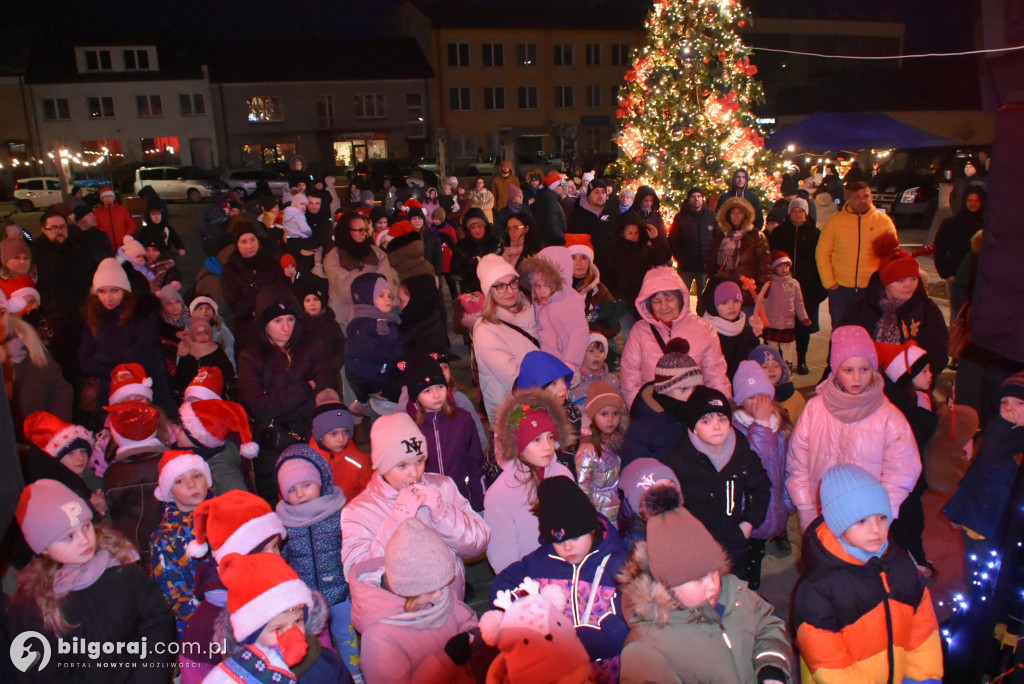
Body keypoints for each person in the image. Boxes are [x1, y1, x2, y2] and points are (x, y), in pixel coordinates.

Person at [8, 480, 176, 682]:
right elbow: (41, 669)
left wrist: (149, 676)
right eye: (69, 537)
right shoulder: (32, 605)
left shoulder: (121, 565)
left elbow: (157, 618)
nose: (84, 540)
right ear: (43, 548)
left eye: (86, 526)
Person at [793, 465, 943, 683]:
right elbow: (828, 663)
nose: (876, 529)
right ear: (838, 524)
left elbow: (922, 629)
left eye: (881, 517)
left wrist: (922, 677)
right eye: (861, 521)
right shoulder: (817, 587)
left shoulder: (902, 566)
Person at [618, 505, 792, 683]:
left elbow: (767, 624)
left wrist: (771, 669)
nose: (712, 585)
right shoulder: (646, 652)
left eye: (713, 570)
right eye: (698, 579)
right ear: (666, 586)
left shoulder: (733, 591)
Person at [491, 476, 629, 681]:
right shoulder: (541, 562)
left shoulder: (619, 564)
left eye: (575, 537)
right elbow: (503, 583)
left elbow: (625, 627)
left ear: (592, 528)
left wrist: (571, 641)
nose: (567, 547)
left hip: (610, 673)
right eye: (559, 541)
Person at [340, 412, 490, 598]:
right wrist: (397, 521)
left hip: (450, 601)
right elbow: (358, 576)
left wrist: (443, 513)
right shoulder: (358, 511)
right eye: (402, 465)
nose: (414, 473)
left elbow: (478, 543)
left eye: (419, 461)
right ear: (382, 466)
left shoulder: (442, 486)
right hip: (400, 611)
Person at [786, 326, 922, 531]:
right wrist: (805, 505)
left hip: (865, 518)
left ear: (873, 369)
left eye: (864, 369)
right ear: (836, 370)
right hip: (820, 513)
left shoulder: (889, 417)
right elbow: (798, 461)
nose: (857, 378)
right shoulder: (815, 409)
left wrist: (883, 511)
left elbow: (903, 469)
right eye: (848, 370)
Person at [349, 518, 481, 684]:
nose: (440, 594)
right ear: (409, 590)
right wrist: (445, 662)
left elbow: (463, 619)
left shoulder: (437, 593)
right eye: (431, 590)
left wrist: (475, 634)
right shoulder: (379, 637)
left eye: (443, 585)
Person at [661, 385, 771, 580]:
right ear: (693, 427)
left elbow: (761, 487)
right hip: (694, 546)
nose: (717, 426)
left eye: (722, 419)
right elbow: (666, 505)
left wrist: (748, 523)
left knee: (734, 589)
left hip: (733, 543)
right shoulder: (677, 460)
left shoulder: (742, 454)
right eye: (707, 420)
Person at [179, 491, 288, 682]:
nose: (274, 557)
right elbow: (196, 673)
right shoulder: (207, 621)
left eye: (275, 546)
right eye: (263, 551)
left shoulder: (285, 588)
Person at [237, 287, 330, 502]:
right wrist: (305, 387)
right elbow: (258, 406)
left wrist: (278, 402)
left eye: (290, 319)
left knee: (317, 492)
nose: (286, 327)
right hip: (272, 442)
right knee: (278, 498)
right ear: (264, 323)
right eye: (277, 321)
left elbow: (325, 389)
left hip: (310, 433)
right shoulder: (251, 356)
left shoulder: (311, 346)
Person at [274, 443, 358, 677]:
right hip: (308, 600)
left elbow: (351, 547)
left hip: (341, 593)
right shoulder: (283, 522)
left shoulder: (339, 512)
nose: (300, 494)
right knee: (319, 643)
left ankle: (355, 673)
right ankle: (329, 675)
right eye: (292, 490)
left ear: (321, 482)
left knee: (347, 635)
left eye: (306, 485)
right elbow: (282, 560)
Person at [204, 552, 346, 684]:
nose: (293, 633)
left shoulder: (324, 664)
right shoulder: (236, 676)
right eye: (278, 628)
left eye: (298, 621)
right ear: (251, 637)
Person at [943, 372, 1024, 582]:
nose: (1009, 409)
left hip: (999, 524)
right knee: (979, 572)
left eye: (1020, 403)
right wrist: (958, 510)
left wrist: (1000, 429)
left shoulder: (1006, 436)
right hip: (979, 519)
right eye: (1004, 402)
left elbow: (996, 470)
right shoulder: (998, 433)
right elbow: (978, 473)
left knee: (995, 575)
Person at [484, 388, 576, 574]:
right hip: (530, 580)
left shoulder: (563, 475)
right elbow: (504, 560)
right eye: (536, 439)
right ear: (517, 445)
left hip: (568, 571)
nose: (547, 447)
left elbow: (578, 526)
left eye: (550, 437)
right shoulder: (499, 495)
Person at [620, 266, 730, 408]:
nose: (664, 306)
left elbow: (716, 377)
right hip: (653, 410)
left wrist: (720, 409)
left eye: (669, 298)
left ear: (680, 298)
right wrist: (642, 410)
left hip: (693, 409)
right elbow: (629, 379)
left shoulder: (704, 330)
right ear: (648, 304)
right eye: (657, 301)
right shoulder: (639, 332)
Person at [841, 234, 950, 378]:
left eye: (913, 279)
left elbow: (939, 353)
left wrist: (914, 375)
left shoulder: (928, 310)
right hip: (861, 383)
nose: (909, 285)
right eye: (901, 281)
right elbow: (841, 349)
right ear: (885, 282)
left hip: (911, 385)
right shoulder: (860, 309)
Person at [875, 341, 940, 576]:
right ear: (906, 376)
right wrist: (926, 414)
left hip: (912, 477)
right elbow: (915, 437)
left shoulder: (919, 398)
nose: (930, 375)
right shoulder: (900, 406)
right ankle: (910, 560)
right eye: (924, 371)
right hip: (901, 478)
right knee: (907, 521)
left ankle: (914, 556)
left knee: (913, 519)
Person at [79, 257, 175, 416]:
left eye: (114, 290)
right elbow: (85, 359)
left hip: (146, 390)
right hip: (111, 393)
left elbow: (141, 355)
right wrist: (115, 371)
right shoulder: (93, 316)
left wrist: (104, 358)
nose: (108, 298)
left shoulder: (142, 314)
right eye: (102, 291)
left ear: (124, 289)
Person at [731, 361, 795, 587]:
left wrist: (788, 501)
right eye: (751, 398)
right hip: (747, 510)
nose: (759, 403)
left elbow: (790, 466)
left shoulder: (781, 425)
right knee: (747, 558)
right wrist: (760, 424)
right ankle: (748, 593)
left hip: (774, 504)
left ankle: (753, 590)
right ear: (740, 401)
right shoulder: (736, 429)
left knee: (757, 554)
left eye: (763, 396)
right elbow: (752, 460)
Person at [405, 355, 486, 511]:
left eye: (440, 387)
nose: (436, 395)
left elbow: (475, 462)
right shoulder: (408, 428)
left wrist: (477, 503)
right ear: (415, 396)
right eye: (427, 390)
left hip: (463, 501)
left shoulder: (463, 420)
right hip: (425, 507)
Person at [816, 181, 898, 327]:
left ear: (871, 197)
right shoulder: (835, 221)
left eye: (866, 196)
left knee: (871, 331)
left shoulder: (883, 222)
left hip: (872, 289)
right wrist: (829, 282)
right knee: (841, 331)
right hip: (841, 290)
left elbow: (893, 255)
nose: (862, 200)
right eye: (857, 197)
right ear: (849, 199)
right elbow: (822, 252)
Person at [149, 449, 213, 637]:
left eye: (197, 476)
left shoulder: (227, 513)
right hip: (201, 629)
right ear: (169, 491)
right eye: (180, 481)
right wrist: (208, 624)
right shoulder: (164, 536)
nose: (192, 484)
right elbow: (173, 593)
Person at [472, 254, 540, 423]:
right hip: (512, 411)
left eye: (512, 282)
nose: (510, 291)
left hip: (540, 398)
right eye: (500, 286)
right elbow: (514, 377)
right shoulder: (486, 329)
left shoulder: (531, 310)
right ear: (489, 291)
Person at [32, 210, 98, 381]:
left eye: (62, 227)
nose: (59, 231)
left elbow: (93, 272)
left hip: (81, 311)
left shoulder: (79, 246)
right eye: (53, 228)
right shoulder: (37, 253)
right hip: (55, 316)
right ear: (43, 230)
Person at [102, 400, 169, 564]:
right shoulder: (170, 464)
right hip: (169, 548)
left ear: (116, 435)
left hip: (131, 552)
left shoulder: (113, 474)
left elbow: (111, 515)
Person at [768, 197, 826, 374]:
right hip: (780, 286)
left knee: (803, 326)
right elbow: (770, 256)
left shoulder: (816, 234)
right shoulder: (779, 233)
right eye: (794, 211)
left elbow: (822, 261)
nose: (798, 214)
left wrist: (820, 289)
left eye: (801, 211)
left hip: (807, 287)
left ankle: (802, 359)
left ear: (806, 214)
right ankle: (777, 360)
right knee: (779, 325)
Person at [598, 210, 671, 344]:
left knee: (646, 337)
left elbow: (662, 258)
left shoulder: (645, 251)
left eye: (636, 233)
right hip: (622, 305)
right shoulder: (613, 252)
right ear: (622, 233)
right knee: (629, 337)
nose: (633, 236)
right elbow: (604, 276)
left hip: (642, 303)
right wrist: (613, 298)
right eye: (630, 233)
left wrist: (656, 238)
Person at [519, 246, 590, 373]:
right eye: (538, 285)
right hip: (547, 357)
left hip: (565, 360)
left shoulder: (569, 302)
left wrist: (571, 363)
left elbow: (580, 333)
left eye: (548, 286)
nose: (542, 291)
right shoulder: (539, 302)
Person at [220, 221, 290, 348]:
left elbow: (283, 289)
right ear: (237, 245)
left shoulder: (271, 263)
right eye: (244, 242)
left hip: (275, 322)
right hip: (248, 328)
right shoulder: (230, 270)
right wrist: (259, 308)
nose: (249, 245)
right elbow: (233, 301)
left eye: (252, 240)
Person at [324, 212, 398, 329]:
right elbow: (344, 289)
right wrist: (372, 284)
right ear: (346, 231)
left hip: (375, 316)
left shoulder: (377, 253)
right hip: (345, 318)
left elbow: (385, 285)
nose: (365, 234)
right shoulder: (334, 256)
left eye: (365, 230)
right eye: (360, 230)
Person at [344, 272, 402, 408]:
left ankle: (362, 402)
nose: (387, 300)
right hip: (371, 378)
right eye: (381, 295)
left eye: (390, 296)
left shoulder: (383, 319)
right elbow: (375, 352)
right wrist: (402, 347)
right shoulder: (364, 325)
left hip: (377, 372)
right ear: (367, 298)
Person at [705, 197, 771, 309]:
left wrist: (762, 292)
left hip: (748, 294)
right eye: (733, 212)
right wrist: (716, 280)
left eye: (740, 212)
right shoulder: (720, 236)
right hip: (724, 293)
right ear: (727, 215)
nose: (736, 216)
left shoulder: (756, 236)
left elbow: (764, 267)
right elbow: (710, 262)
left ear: (746, 215)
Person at [575, 381, 626, 521]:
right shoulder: (587, 450)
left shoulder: (621, 441)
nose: (610, 419)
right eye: (604, 414)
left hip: (621, 513)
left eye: (615, 413)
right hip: (601, 516)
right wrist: (591, 519)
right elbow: (584, 488)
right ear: (593, 416)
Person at [565, 233, 622, 352]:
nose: (578, 263)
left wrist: (590, 328)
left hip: (592, 351)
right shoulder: (556, 288)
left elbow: (614, 325)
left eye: (584, 258)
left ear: (590, 261)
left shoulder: (600, 290)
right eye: (573, 258)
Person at [701, 275, 762, 379]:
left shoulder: (748, 333)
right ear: (713, 304)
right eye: (724, 302)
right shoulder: (704, 334)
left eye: (736, 301)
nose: (731, 307)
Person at [934, 183, 985, 301]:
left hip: (981, 278)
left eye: (977, 200)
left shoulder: (986, 224)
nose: (973, 203)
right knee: (958, 309)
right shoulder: (952, 223)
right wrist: (947, 274)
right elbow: (940, 250)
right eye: (970, 200)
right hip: (957, 276)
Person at [762, 251, 812, 368]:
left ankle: (787, 368)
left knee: (787, 348)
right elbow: (764, 303)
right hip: (772, 322)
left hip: (788, 323)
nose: (784, 269)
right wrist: (761, 319)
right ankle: (772, 367)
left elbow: (799, 302)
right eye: (780, 266)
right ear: (774, 267)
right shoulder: (769, 284)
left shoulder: (794, 284)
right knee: (772, 347)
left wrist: (803, 317)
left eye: (787, 266)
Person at [669, 187, 717, 293]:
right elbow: (673, 239)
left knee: (704, 297)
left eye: (699, 196)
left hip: (705, 267)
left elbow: (717, 238)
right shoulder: (680, 217)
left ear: (702, 198)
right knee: (683, 295)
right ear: (689, 199)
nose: (696, 199)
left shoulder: (711, 216)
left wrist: (712, 259)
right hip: (685, 267)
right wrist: (679, 257)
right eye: (693, 196)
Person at [566, 179, 620, 263]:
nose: (601, 195)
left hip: (611, 262)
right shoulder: (578, 215)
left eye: (603, 192)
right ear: (589, 195)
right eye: (596, 192)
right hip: (587, 262)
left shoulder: (613, 211)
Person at [749, 344, 805, 424]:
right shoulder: (749, 399)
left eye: (776, 366)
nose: (772, 370)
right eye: (765, 367)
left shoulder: (795, 397)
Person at [568, 333, 619, 409]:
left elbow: (620, 408)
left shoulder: (612, 380)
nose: (596, 355)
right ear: (582, 354)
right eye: (591, 351)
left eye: (601, 351)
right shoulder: (574, 382)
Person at [532, 171, 568, 246]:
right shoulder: (550, 202)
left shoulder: (548, 199)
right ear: (553, 187)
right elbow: (552, 227)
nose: (563, 188)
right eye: (560, 185)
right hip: (553, 244)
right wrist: (566, 239)